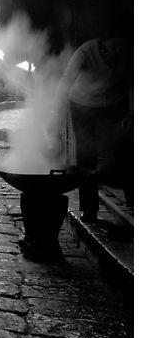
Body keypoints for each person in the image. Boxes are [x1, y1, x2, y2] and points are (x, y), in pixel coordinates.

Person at [47, 37, 133, 222]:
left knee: (124, 149)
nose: (116, 47)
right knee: (86, 156)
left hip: (114, 104)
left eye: (119, 44)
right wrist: (56, 113)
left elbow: (134, 81)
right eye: (113, 43)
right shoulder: (86, 51)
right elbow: (66, 81)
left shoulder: (128, 51)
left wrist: (132, 112)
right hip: (82, 104)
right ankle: (89, 209)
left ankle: (133, 203)